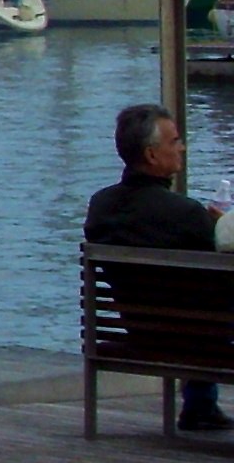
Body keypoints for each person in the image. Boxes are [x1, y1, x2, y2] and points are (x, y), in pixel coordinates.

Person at [86, 102, 230, 432]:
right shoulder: (186, 213)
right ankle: (200, 405)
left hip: (140, 332)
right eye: (175, 141)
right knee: (209, 306)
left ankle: (202, 407)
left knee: (195, 306)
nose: (182, 147)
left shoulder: (100, 206)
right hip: (196, 339)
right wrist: (220, 228)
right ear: (152, 155)